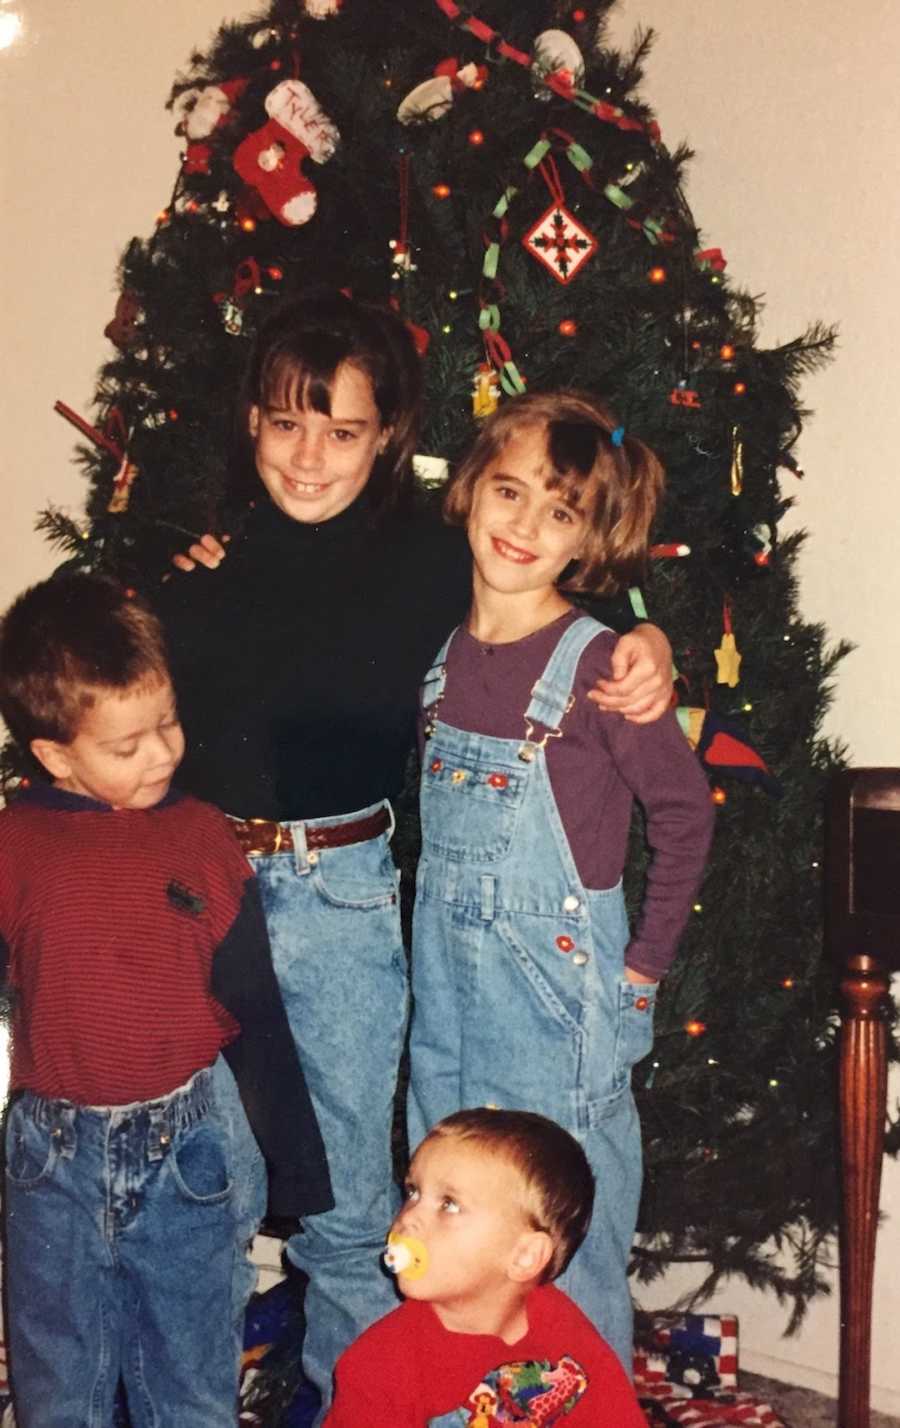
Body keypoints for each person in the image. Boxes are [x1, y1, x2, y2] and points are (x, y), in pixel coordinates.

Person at [156, 290, 675, 1413]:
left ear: (388, 435)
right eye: (290, 422)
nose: (311, 454)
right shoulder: (193, 563)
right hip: (199, 893)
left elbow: (558, 583)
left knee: (351, 1210)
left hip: (342, 898)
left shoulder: (432, 565)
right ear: (252, 421)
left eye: (344, 429)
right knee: (201, 1192)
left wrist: (651, 636)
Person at [407, 392, 715, 1372]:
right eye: (509, 492)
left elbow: (685, 814)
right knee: (452, 1249)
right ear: (469, 491)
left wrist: (644, 971)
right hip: (445, 1013)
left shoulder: (603, 668)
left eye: (559, 512)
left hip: (559, 1014)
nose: (525, 527)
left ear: (587, 539)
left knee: (559, 1273)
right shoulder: (442, 658)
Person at [0, 573, 332, 1428]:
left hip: (183, 1153)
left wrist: (294, 1166)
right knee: (57, 1382)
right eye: (127, 745)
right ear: (54, 755)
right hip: (49, 1160)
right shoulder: (15, 843)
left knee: (189, 1379)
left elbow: (254, 1012)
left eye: (168, 725)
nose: (161, 755)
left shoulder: (201, 837)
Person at [323, 1108, 648, 1427]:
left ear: (524, 1257)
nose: (408, 1217)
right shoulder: (379, 1365)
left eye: (449, 1204)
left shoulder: (560, 1327)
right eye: (413, 1192)